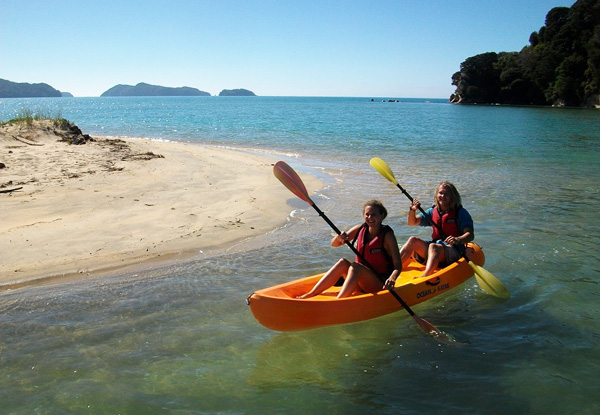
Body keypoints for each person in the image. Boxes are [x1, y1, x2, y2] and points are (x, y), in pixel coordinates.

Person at [297, 200, 402, 299]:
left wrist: (392, 278)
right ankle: (311, 293)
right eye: (367, 214)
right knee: (343, 262)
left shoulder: (387, 235)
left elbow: (398, 265)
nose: (370, 217)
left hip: (379, 283)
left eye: (373, 214)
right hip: (360, 282)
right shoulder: (360, 229)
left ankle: (339, 301)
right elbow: (334, 244)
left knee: (355, 267)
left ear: (382, 216)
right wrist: (339, 238)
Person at [401, 181, 474, 279]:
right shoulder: (433, 211)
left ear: (453, 196)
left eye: (446, 194)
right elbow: (412, 222)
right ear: (436, 195)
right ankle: (394, 268)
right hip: (436, 248)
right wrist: (412, 210)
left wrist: (458, 239)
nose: (443, 196)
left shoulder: (461, 213)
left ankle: (425, 276)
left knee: (433, 246)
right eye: (440, 193)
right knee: (412, 240)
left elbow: (470, 234)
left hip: (454, 250)